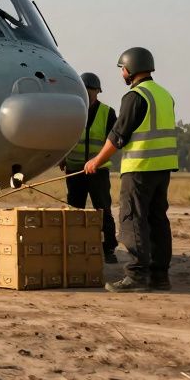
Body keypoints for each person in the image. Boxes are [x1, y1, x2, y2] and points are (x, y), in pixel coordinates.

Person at [82, 47, 178, 292]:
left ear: (130, 69)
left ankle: (136, 276)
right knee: (157, 221)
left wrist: (96, 161)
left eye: (122, 69)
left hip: (140, 169)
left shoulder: (136, 97)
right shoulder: (164, 95)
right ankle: (160, 277)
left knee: (132, 220)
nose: (121, 74)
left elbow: (118, 136)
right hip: (163, 168)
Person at [63, 72, 119, 264]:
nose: (89, 93)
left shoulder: (108, 113)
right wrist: (62, 158)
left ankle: (109, 248)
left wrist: (98, 161)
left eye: (92, 90)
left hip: (98, 170)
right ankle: (74, 246)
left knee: (102, 209)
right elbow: (63, 137)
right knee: (74, 210)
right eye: (86, 90)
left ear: (98, 91)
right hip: (75, 170)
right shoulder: (70, 111)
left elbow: (113, 141)